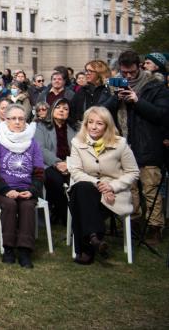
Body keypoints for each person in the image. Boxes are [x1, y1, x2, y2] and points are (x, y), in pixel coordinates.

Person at [106, 50, 169, 245]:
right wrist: (116, 98)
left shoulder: (154, 85)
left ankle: (155, 228)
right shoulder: (114, 84)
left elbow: (161, 115)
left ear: (139, 67)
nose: (128, 76)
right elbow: (103, 111)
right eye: (124, 73)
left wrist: (137, 101)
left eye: (131, 72)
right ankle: (134, 222)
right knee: (129, 188)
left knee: (150, 188)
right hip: (124, 144)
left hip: (148, 143)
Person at [68, 106, 140, 264]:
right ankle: (94, 238)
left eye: (99, 123)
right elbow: (76, 171)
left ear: (107, 126)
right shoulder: (77, 142)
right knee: (82, 188)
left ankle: (87, 247)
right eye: (90, 122)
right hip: (89, 188)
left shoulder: (120, 144)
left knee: (80, 199)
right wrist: (99, 183)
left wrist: (113, 186)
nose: (93, 127)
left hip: (114, 193)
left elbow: (133, 172)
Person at [0, 104, 44, 268]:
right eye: (13, 118)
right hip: (1, 188)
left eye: (21, 119)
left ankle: (25, 251)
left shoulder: (32, 143)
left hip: (26, 188)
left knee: (27, 206)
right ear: (6, 120)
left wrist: (32, 190)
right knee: (10, 205)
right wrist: (6, 190)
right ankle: (9, 248)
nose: (18, 122)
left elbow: (39, 172)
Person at [33, 98, 78, 225]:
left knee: (77, 183)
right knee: (56, 181)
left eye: (65, 109)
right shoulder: (41, 126)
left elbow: (79, 149)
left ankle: (68, 214)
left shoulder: (74, 128)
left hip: (71, 164)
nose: (62, 111)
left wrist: (69, 164)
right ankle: (65, 215)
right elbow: (40, 148)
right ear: (52, 109)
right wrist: (58, 163)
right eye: (58, 107)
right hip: (49, 164)